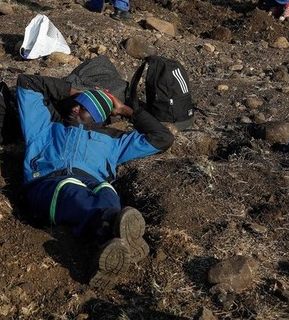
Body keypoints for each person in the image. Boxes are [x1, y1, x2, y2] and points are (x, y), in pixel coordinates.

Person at [15, 73, 174, 287]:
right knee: (70, 188)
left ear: (98, 116)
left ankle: (108, 250)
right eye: (76, 104)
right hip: (46, 185)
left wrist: (126, 110)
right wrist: (76, 92)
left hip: (90, 184)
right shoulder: (46, 125)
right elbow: (27, 82)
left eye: (83, 107)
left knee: (106, 190)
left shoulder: (114, 140)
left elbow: (162, 138)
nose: (75, 108)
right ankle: (113, 228)